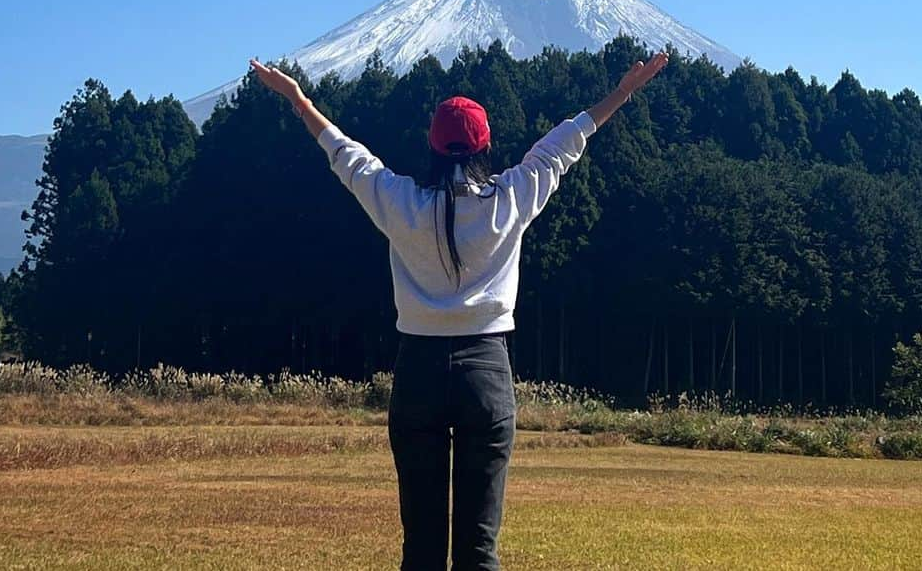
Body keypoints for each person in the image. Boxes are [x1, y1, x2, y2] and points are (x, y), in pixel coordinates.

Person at [250, 49, 669, 570]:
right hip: (486, 372)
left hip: (419, 371)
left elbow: (347, 155)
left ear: (431, 143)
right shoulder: (511, 197)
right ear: (486, 143)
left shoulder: (401, 202)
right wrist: (622, 92)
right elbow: (565, 143)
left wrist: (297, 98)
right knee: (478, 550)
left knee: (421, 551)